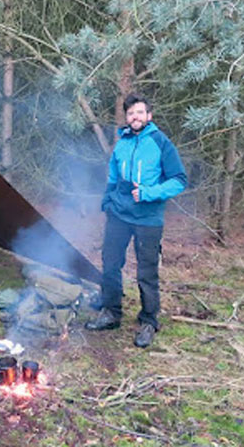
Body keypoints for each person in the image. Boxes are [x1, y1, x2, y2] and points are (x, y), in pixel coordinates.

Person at [85, 93, 187, 348]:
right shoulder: (122, 143)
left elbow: (179, 180)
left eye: (140, 112)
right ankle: (111, 312)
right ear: (127, 117)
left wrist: (149, 193)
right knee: (110, 264)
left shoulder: (161, 143)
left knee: (146, 272)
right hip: (119, 215)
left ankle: (149, 321)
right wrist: (107, 201)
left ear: (149, 116)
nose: (135, 117)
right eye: (131, 113)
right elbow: (113, 177)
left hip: (148, 218)